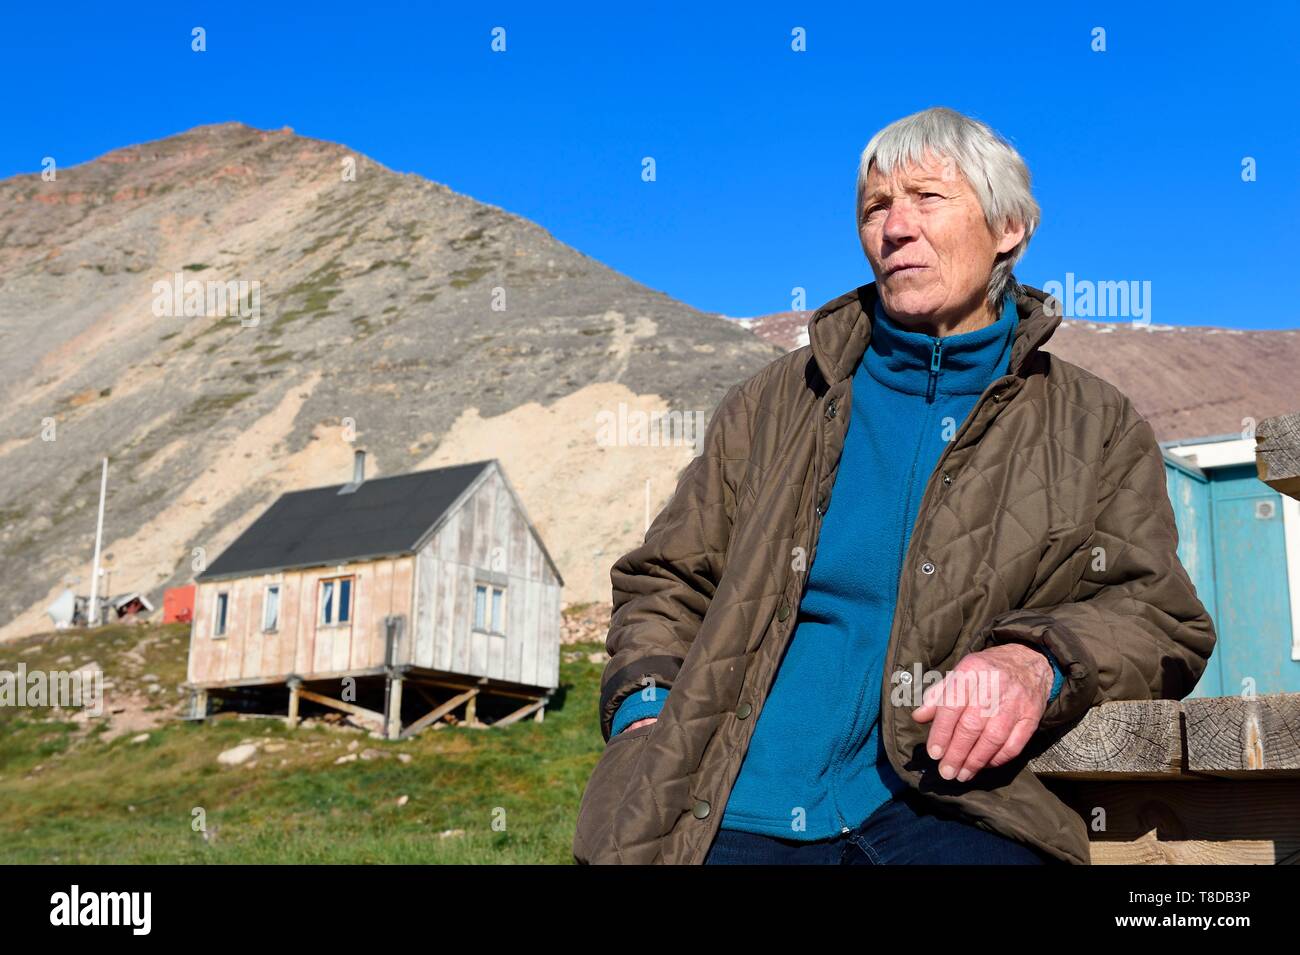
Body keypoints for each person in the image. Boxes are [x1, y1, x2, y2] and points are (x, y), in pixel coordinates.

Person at [572, 106, 1216, 865]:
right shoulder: (777, 402)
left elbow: (1157, 613)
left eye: (927, 199)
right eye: (876, 206)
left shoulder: (1092, 422)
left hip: (961, 803)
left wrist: (1038, 661)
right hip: (735, 800)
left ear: (1008, 227)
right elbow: (666, 578)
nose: (894, 227)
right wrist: (646, 714)